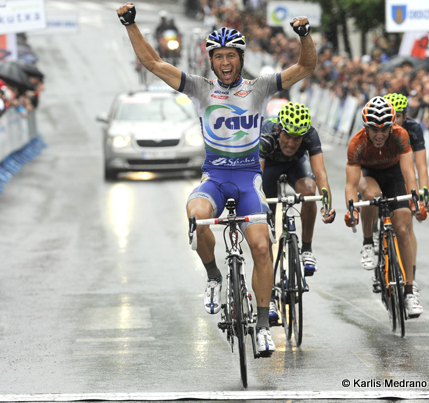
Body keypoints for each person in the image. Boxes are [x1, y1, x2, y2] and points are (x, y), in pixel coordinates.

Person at [117, 3, 316, 355]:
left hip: (248, 179)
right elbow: (152, 63)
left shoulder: (259, 87)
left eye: (231, 56)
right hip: (215, 177)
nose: (225, 63)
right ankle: (213, 277)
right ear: (211, 60)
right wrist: (131, 24)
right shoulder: (199, 88)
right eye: (218, 56)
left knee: (260, 246)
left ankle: (263, 323)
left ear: (240, 58)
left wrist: (304, 36)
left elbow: (306, 66)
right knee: (195, 215)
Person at [344, 96, 424, 318]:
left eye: (384, 129)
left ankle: (409, 292)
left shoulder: (400, 135)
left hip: (394, 175)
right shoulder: (357, 143)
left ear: (392, 127)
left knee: (403, 227)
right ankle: (368, 243)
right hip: (368, 176)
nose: (379, 135)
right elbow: (350, 184)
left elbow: (409, 173)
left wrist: (415, 197)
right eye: (374, 130)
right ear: (366, 128)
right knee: (371, 195)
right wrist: (351, 210)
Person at [259, 102, 336, 323]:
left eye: (297, 138)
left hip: (295, 167)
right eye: (287, 136)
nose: (292, 143)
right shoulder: (265, 133)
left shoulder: (311, 135)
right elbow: (256, 178)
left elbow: (320, 174)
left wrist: (327, 204)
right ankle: (269, 293)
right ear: (278, 130)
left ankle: (307, 251)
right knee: (266, 231)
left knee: (310, 191)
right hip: (269, 170)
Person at [383, 93, 429, 295]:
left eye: (398, 117)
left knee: (407, 223)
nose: (394, 121)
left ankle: (410, 273)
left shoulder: (413, 129)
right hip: (382, 171)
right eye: (391, 116)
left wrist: (425, 195)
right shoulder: (379, 127)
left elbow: (421, 166)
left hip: (404, 174)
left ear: (405, 116)